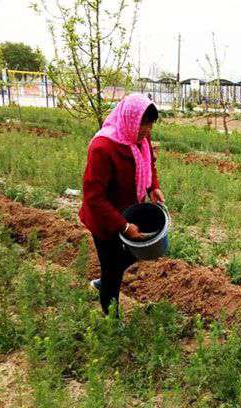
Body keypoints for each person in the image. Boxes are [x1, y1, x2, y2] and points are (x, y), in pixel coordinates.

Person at [79, 93, 165, 316]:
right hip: (104, 220)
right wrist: (123, 226)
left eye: (149, 126)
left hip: (128, 210)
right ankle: (111, 322)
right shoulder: (103, 148)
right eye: (142, 127)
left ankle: (107, 278)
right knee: (112, 270)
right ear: (129, 120)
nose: (146, 132)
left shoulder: (140, 138)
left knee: (139, 252)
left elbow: (149, 165)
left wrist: (152, 187)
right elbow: (93, 198)